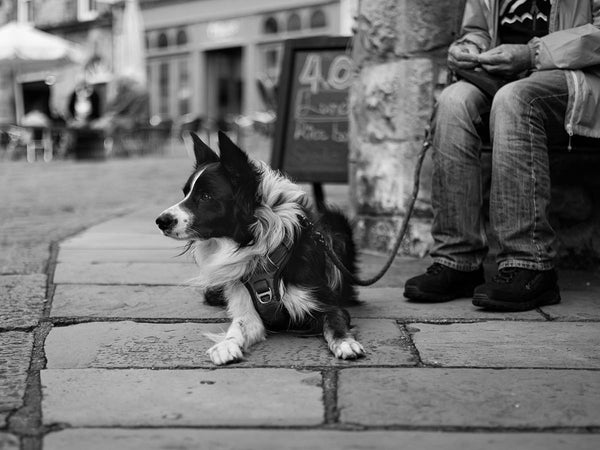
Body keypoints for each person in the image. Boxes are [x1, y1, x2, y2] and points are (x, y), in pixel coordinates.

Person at [404, 0, 600, 311]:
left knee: (515, 98)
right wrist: (468, 48)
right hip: (502, 77)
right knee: (453, 101)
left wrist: (532, 54)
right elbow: (478, 29)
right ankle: (458, 260)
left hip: (578, 76)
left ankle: (530, 263)